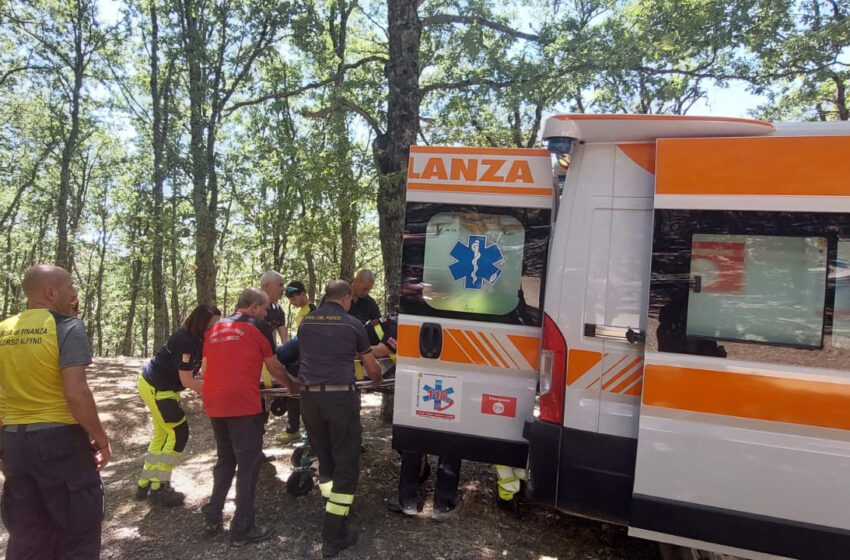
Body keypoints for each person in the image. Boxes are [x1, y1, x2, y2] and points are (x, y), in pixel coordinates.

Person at [0, 264, 111, 559]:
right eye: (70, 287)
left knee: (26, 538)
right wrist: (100, 439)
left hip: (14, 444)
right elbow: (76, 393)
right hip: (60, 445)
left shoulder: (3, 331)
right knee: (78, 535)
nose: (74, 292)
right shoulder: (68, 327)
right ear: (51, 293)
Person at [200, 287, 296, 546]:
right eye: (265, 310)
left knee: (225, 459)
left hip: (215, 401)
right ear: (254, 308)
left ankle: (213, 514)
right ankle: (242, 527)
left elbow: (205, 368)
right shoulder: (257, 327)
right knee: (249, 464)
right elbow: (274, 366)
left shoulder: (215, 329)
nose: (266, 315)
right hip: (242, 403)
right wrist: (292, 386)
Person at [297, 280, 381, 557]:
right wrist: (377, 379)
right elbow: (370, 366)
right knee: (347, 461)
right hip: (339, 399)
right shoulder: (352, 324)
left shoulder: (306, 322)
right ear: (345, 299)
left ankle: (333, 506)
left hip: (308, 399)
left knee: (326, 457)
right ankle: (334, 534)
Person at [134, 304, 221, 506]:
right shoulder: (185, 341)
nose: (216, 328)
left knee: (163, 433)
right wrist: (217, 391)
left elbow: (201, 372)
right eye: (212, 325)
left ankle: (145, 482)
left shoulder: (201, 340)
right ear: (201, 323)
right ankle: (160, 488)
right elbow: (188, 381)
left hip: (164, 388)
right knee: (178, 433)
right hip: (157, 387)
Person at [274, 279, 315, 444]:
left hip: (308, 359)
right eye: (289, 299)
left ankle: (295, 429)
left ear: (303, 294)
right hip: (301, 355)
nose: (292, 302)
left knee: (294, 388)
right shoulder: (301, 312)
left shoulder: (312, 311)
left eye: (294, 298)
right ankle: (294, 428)